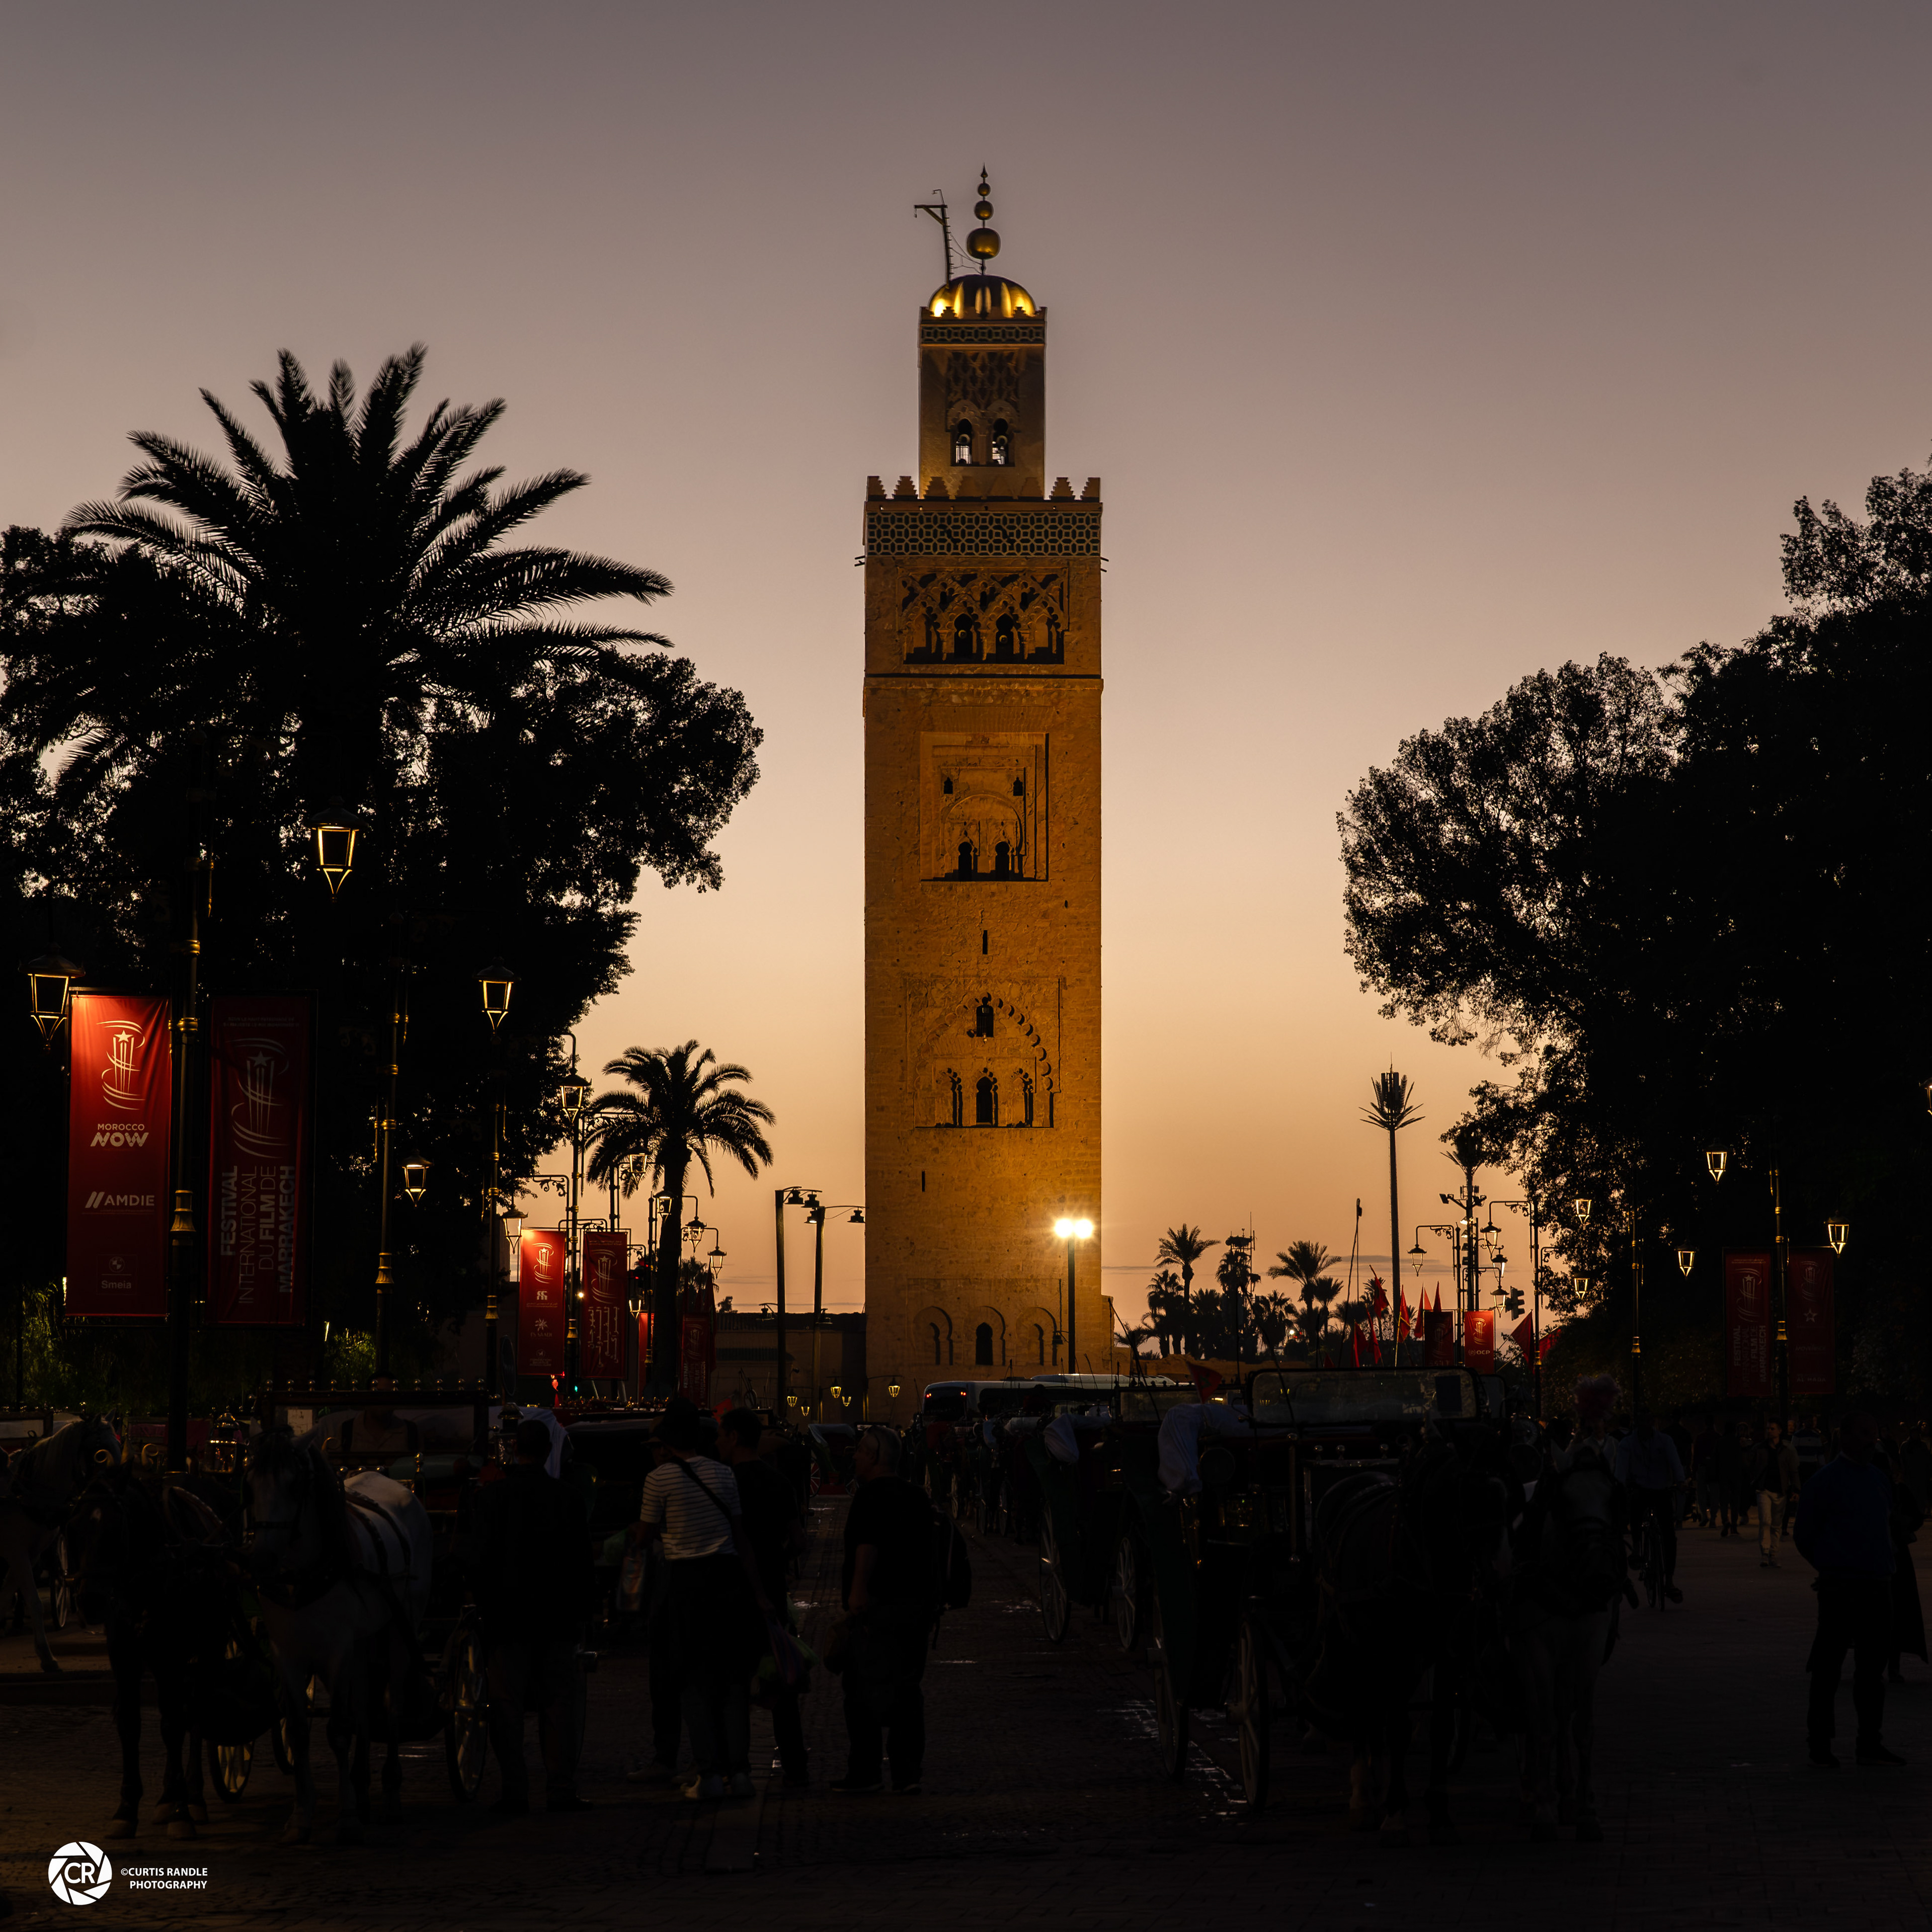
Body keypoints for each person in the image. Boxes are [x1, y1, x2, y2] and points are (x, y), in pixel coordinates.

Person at [633, 1406, 771, 1802]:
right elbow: (740, 1536)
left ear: (666, 1444)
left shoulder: (658, 1479)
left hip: (686, 1585)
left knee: (694, 1684)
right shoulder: (724, 1474)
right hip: (728, 1582)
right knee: (732, 1683)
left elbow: (644, 1539)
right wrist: (759, 1593)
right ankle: (741, 1773)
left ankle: (709, 1773)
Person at [466, 1417, 595, 1814]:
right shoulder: (569, 1498)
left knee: (506, 1705)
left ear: (513, 1450)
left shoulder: (491, 1499)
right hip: (556, 1616)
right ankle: (560, 1787)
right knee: (559, 1704)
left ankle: (515, 1788)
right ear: (549, 1451)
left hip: (507, 1618)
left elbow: (479, 1560)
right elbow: (582, 1563)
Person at [1794, 1412, 1903, 1768]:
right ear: (1845, 1439)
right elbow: (1805, 1535)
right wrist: (1831, 1566)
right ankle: (1821, 1742)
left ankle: (1869, 1741)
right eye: (1864, 1435)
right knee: (1829, 1667)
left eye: (1874, 1434)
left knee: (1872, 1670)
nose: (1871, 1441)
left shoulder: (1878, 1479)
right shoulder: (1825, 1483)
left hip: (1877, 1583)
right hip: (1843, 1584)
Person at [834, 1424, 936, 1796]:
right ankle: (908, 1772)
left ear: (875, 1458)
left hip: (880, 1608)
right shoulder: (917, 1497)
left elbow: (868, 1545)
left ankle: (866, 1772)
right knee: (907, 1688)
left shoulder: (869, 1497)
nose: (855, 1456)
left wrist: (857, 1593)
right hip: (916, 1607)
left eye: (860, 1451)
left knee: (861, 1690)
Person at [718, 1408, 809, 1787]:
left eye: (722, 1435)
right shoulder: (778, 1482)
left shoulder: (725, 1483)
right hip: (772, 1589)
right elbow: (800, 1540)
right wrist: (779, 1560)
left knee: (734, 1683)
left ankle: (737, 1768)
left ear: (735, 1437)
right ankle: (795, 1765)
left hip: (733, 1594)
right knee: (780, 1681)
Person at [1615, 1410, 1686, 1602]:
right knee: (1636, 1507)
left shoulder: (1665, 1441)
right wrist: (1620, 1487)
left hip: (1662, 1489)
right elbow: (1620, 1472)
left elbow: (1675, 1463)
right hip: (1640, 1488)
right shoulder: (1627, 1444)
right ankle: (1637, 1548)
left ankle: (1669, 1581)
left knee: (1669, 1536)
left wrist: (1681, 1481)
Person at [1751, 1420, 1801, 1567]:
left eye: (1772, 1429)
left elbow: (1793, 1471)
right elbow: (1751, 1464)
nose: (1769, 1431)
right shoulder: (1761, 1448)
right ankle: (1765, 1553)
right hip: (1764, 1489)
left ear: (1779, 1431)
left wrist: (1796, 1489)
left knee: (1776, 1524)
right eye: (1768, 1429)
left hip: (1780, 1491)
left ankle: (1773, 1553)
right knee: (1766, 1521)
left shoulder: (1787, 1449)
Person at [1691, 1416, 1722, 1531]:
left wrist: (1694, 1471)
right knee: (1715, 1494)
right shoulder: (1718, 1437)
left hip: (1703, 1467)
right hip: (1714, 1468)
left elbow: (1696, 1456)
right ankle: (1713, 1517)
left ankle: (1705, 1515)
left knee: (1701, 1493)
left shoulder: (1700, 1437)